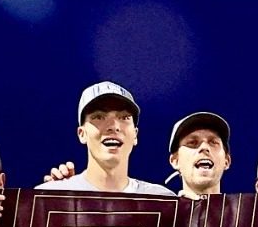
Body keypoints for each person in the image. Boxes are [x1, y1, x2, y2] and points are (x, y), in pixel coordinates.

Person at [36, 82, 176, 196]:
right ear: (82, 133)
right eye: (99, 117)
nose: (114, 126)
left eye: (124, 118)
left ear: (135, 134)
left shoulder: (163, 200)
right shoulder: (51, 197)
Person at [168, 111, 232, 199]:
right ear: (175, 161)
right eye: (192, 142)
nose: (204, 147)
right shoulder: (162, 212)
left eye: (213, 142)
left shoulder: (245, 212)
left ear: (227, 161)